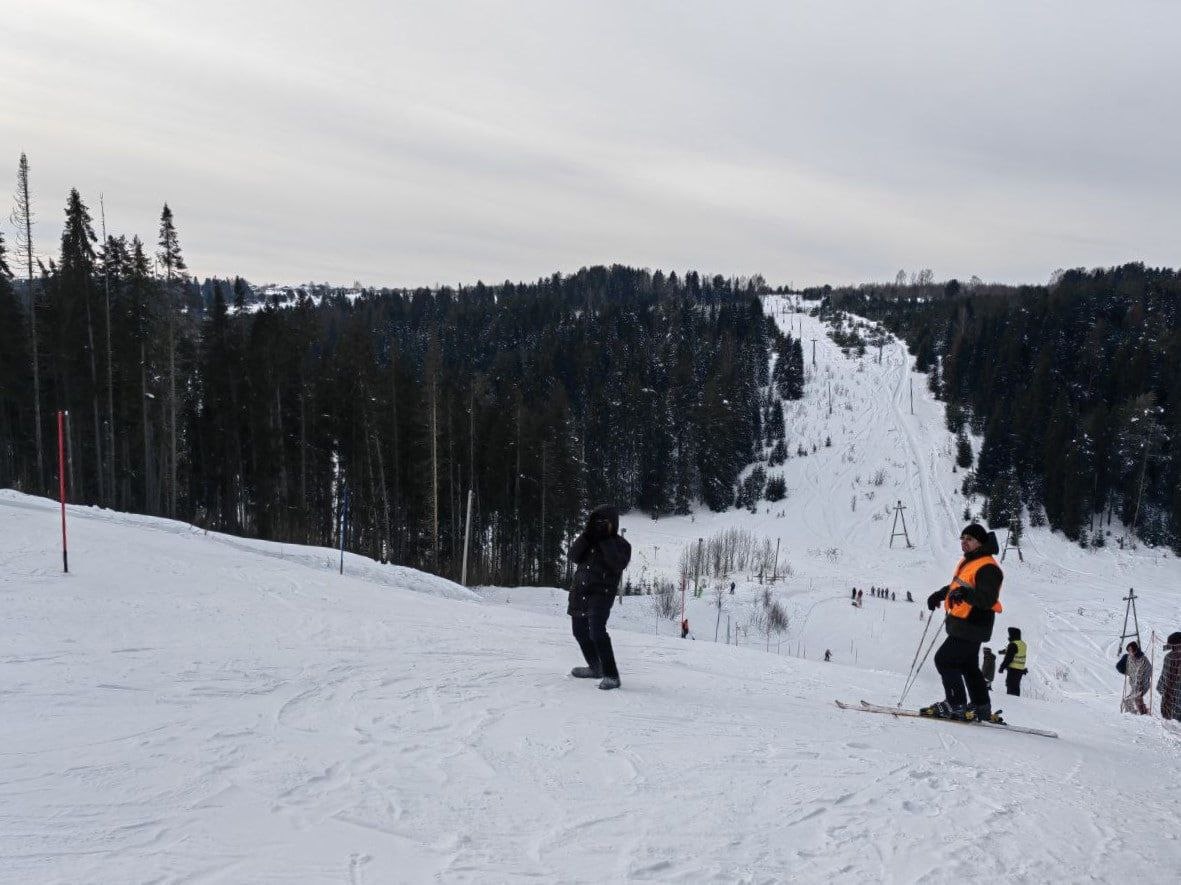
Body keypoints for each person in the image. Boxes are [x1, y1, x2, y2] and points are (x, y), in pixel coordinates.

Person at [920, 524, 1004, 722]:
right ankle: (980, 707)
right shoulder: (971, 562)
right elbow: (958, 586)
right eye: (962, 538)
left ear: (980, 542)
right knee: (968, 666)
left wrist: (964, 594)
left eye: (969, 539)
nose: (964, 542)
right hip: (964, 623)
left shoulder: (988, 567)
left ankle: (955, 704)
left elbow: (987, 599)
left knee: (944, 660)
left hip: (973, 623)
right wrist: (940, 595)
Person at [567, 505, 632, 690]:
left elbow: (617, 564)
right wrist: (587, 535)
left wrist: (605, 539)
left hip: (601, 594)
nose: (599, 525)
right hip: (579, 591)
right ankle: (596, 668)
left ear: (613, 523)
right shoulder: (588, 540)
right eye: (596, 522)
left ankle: (611, 675)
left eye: (604, 522)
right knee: (579, 631)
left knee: (597, 632)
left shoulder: (622, 545)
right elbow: (573, 556)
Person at [1117, 641, 1152, 714]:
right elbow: (1123, 668)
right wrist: (1126, 671)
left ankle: (1132, 715)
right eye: (1128, 650)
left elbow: (1149, 670)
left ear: (1135, 650)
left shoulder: (1143, 659)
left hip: (1143, 685)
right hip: (1134, 685)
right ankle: (1143, 713)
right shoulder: (1129, 658)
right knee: (1137, 699)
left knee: (1128, 700)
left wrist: (1142, 680)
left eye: (1130, 650)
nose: (1129, 652)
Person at [998, 627, 1028, 696]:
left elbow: (1009, 658)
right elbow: (1016, 652)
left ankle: (1012, 703)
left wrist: (1002, 667)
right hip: (1020, 669)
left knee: (1011, 686)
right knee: (1016, 687)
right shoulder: (1022, 644)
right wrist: (1005, 651)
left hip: (1013, 669)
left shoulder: (1013, 644)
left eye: (1010, 634)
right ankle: (1016, 703)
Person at [1158, 632, 1181, 721]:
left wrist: (1161, 687)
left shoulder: (1168, 656)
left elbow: (1164, 676)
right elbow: (1165, 674)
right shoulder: (1169, 657)